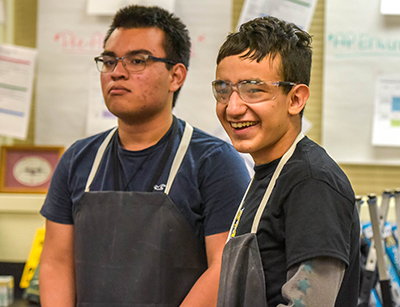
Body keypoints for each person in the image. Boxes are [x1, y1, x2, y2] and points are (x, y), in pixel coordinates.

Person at [39, 5, 250, 307]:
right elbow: (57, 262)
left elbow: (224, 269)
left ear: (176, 76)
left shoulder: (214, 162)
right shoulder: (78, 160)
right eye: (109, 61)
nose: (117, 72)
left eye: (137, 60)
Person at [213, 16, 360, 307]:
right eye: (223, 89)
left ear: (295, 99)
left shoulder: (312, 183)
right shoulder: (266, 173)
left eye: (253, 89)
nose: (233, 107)